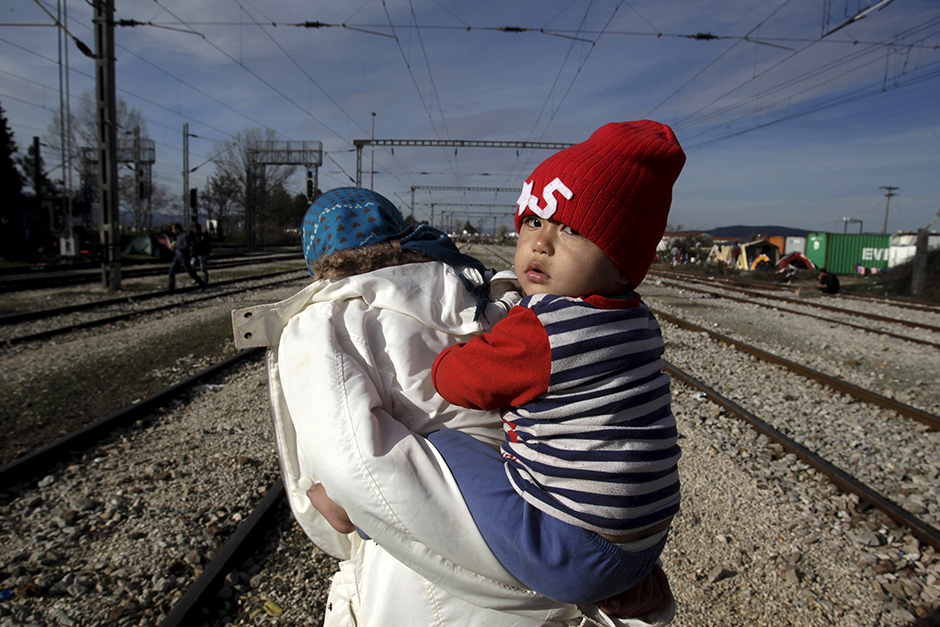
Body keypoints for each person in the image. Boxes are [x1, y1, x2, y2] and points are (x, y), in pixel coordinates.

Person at [232, 187, 675, 627]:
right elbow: (590, 445)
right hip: (555, 551)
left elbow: (356, 477)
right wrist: (621, 567)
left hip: (439, 590)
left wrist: (346, 504)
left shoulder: (327, 322)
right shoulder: (504, 295)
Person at [428, 121, 685, 607]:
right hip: (644, 547)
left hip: (569, 551)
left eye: (570, 230)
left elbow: (455, 381)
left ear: (621, 262)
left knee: (438, 448)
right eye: (533, 221)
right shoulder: (637, 318)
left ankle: (357, 510)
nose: (541, 243)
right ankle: (618, 586)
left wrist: (457, 347)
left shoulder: (543, 328)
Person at [168, 222, 206, 291]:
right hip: (177, 256)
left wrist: (176, 247)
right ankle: (171, 286)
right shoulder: (177, 236)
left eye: (173, 229)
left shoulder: (184, 236)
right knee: (171, 270)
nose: (172, 231)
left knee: (190, 272)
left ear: (177, 229)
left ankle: (201, 282)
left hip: (184, 256)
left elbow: (186, 246)